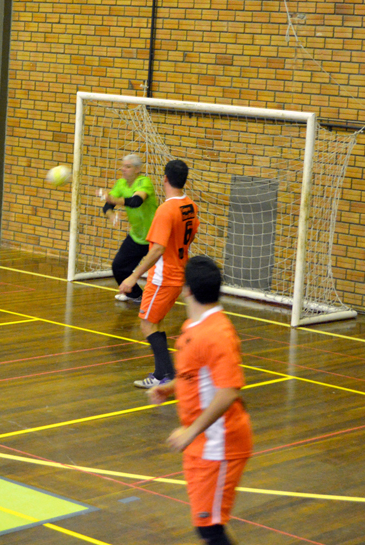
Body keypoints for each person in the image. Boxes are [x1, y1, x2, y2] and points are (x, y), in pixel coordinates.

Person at [148, 256, 252, 545]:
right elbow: (199, 375)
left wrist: (191, 431)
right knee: (208, 524)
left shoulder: (217, 334)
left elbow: (228, 391)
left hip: (219, 444)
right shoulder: (195, 326)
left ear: (186, 290)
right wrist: (171, 388)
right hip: (200, 444)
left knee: (210, 529)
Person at [119, 159, 199, 388]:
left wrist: (133, 276)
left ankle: (167, 376)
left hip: (163, 277)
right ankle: (162, 374)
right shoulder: (190, 205)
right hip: (179, 273)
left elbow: (157, 249)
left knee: (147, 324)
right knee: (156, 322)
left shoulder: (166, 210)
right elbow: (191, 234)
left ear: (165, 179)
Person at [103, 154, 158, 303]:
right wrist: (111, 214)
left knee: (162, 274)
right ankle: (136, 295)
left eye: (128, 166)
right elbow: (107, 205)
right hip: (137, 236)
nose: (123, 169)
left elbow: (136, 201)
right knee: (118, 267)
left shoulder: (144, 182)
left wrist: (115, 200)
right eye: (123, 166)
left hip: (155, 237)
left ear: (137, 169)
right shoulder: (121, 184)